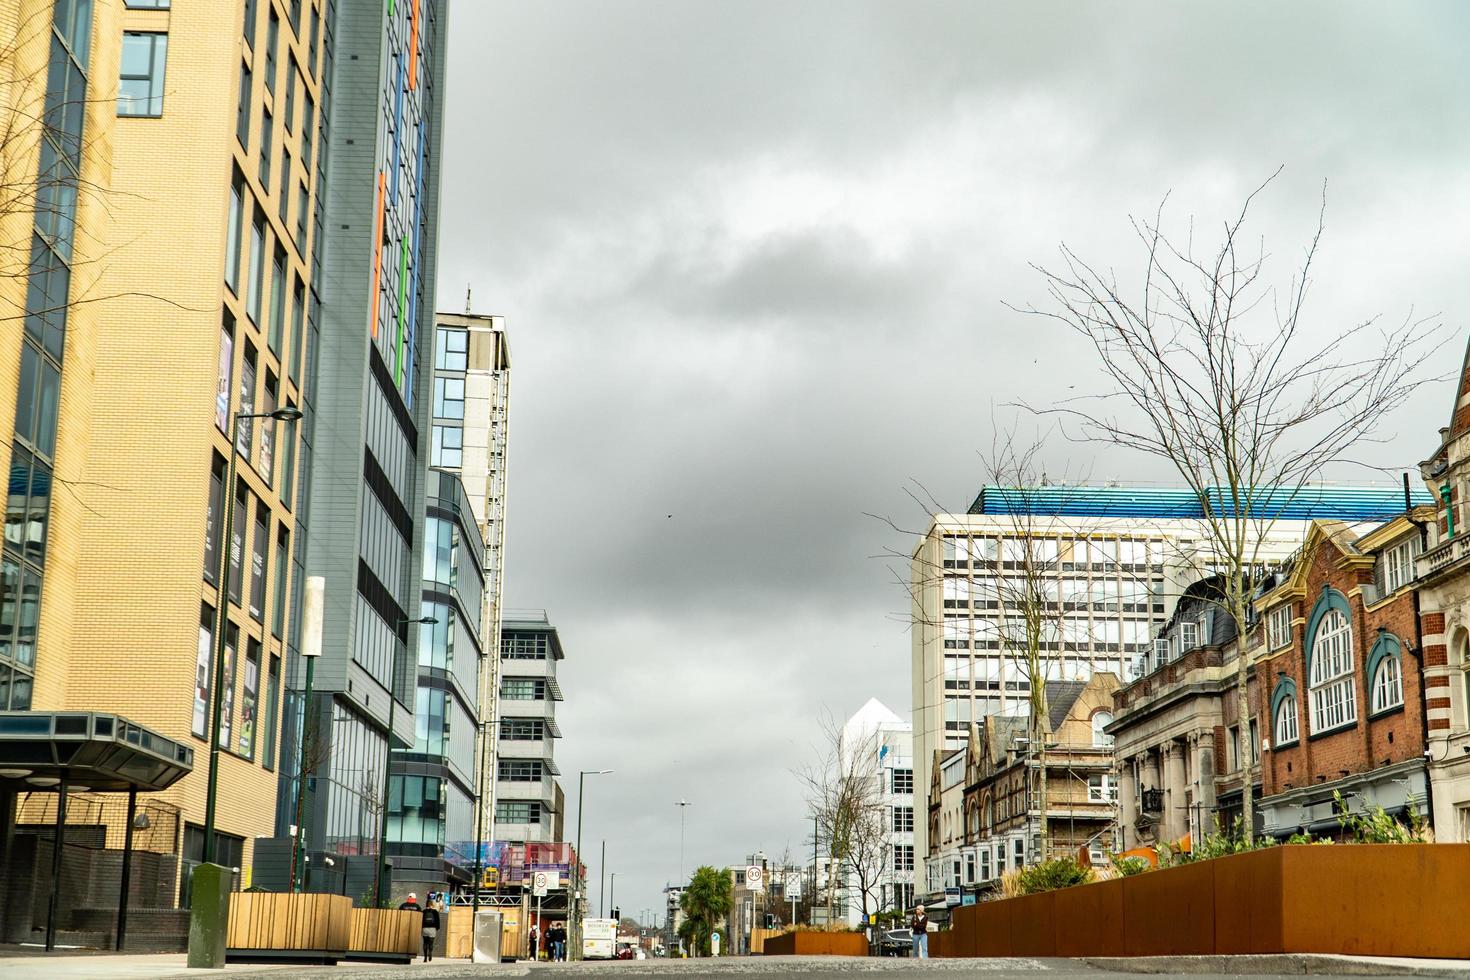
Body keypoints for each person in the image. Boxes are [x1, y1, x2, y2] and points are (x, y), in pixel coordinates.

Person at [420, 898, 441, 963]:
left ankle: (425, 957)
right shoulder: (435, 912)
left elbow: (421, 920)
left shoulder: (423, 911)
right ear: (432, 904)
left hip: (425, 928)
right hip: (432, 928)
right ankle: (430, 952)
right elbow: (437, 920)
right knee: (431, 943)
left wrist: (421, 927)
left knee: (425, 943)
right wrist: (437, 928)